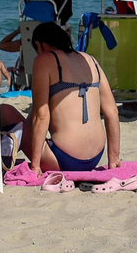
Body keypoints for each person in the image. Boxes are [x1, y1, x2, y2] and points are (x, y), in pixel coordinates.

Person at [22, 22, 120, 171]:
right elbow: (112, 112)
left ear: (38, 45)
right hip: (94, 158)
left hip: (63, 158)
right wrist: (114, 158)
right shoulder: (91, 60)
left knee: (4, 112)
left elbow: (41, 116)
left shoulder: (44, 60)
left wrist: (35, 166)